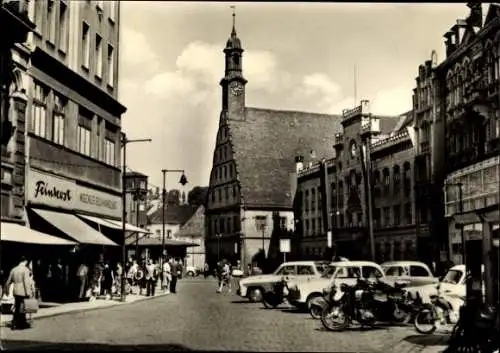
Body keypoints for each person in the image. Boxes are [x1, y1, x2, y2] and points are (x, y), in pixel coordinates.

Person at [4, 256, 34, 330]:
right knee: (23, 308)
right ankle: (22, 324)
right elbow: (26, 282)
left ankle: (15, 323)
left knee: (17, 307)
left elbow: (8, 281)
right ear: (25, 261)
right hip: (23, 291)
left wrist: (6, 290)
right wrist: (29, 293)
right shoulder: (25, 270)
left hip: (16, 291)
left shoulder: (14, 269)